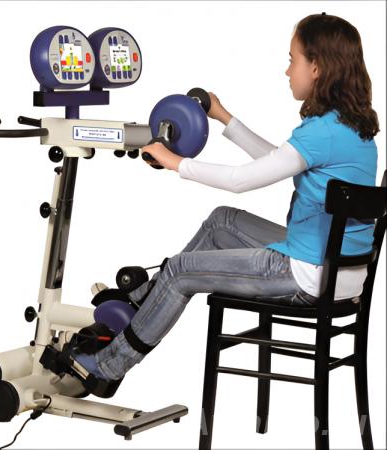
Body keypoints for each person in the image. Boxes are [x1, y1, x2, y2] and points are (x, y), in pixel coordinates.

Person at [73, 13, 379, 383]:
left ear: (316, 67)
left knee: (180, 271)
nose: (287, 71)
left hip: (306, 274)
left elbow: (240, 180)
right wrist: (223, 117)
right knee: (223, 220)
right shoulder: (349, 126)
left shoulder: (321, 132)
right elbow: (276, 162)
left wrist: (175, 162)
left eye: (292, 60)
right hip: (337, 269)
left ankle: (106, 367)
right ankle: (146, 300)